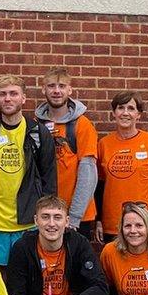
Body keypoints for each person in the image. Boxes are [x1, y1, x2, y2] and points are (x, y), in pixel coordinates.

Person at [0, 75, 57, 274]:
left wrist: (45, 217)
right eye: (3, 94)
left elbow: (49, 180)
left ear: (23, 98)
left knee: (27, 279)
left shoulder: (37, 133)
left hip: (28, 224)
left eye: (13, 94)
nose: (8, 98)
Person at [96, 91, 148, 244]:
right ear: (114, 113)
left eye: (131, 109)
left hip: (143, 225)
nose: (125, 113)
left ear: (139, 114)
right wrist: (99, 220)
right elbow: (99, 187)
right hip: (113, 226)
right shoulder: (103, 144)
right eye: (120, 108)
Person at [34, 68, 99, 238]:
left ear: (70, 90)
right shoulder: (35, 124)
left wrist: (74, 217)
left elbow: (88, 173)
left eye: (62, 86)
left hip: (77, 215)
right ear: (43, 89)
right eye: (51, 86)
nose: (56, 91)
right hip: (46, 215)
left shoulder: (82, 125)